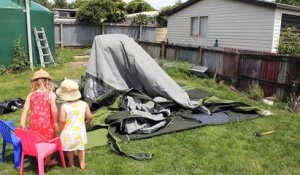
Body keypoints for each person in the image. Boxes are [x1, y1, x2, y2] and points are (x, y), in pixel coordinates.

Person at [20, 69, 58, 166]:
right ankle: (47, 161)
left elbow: (25, 110)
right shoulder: (51, 95)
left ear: (35, 83)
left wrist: (22, 122)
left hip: (34, 123)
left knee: (36, 140)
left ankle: (38, 158)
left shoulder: (30, 94)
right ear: (48, 82)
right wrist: (55, 122)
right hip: (47, 123)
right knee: (50, 140)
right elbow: (54, 110)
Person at [56, 79, 92, 169]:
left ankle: (71, 164)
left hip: (68, 132)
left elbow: (62, 120)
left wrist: (60, 129)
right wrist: (88, 122)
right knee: (81, 148)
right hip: (80, 132)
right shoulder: (84, 104)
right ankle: (82, 164)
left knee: (70, 150)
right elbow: (90, 116)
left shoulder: (65, 106)